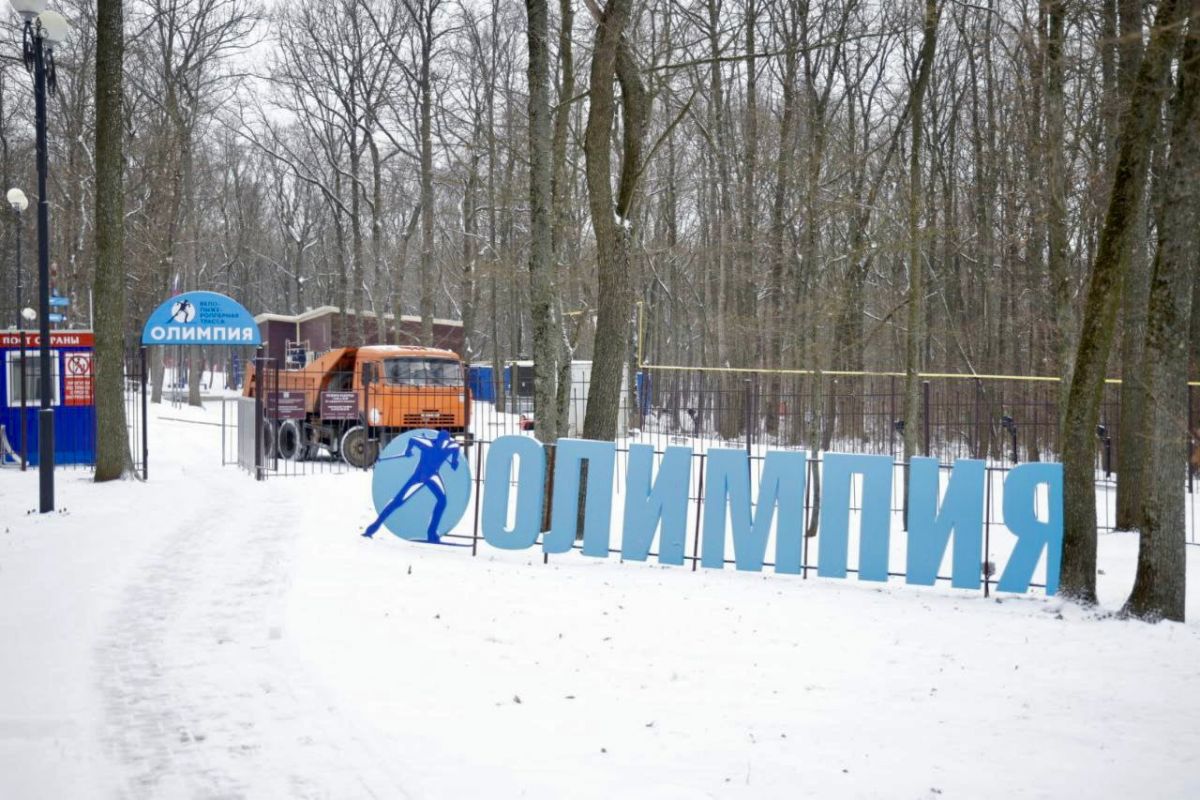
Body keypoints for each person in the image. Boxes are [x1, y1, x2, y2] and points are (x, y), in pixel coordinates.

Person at [363, 429, 461, 542]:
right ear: (437, 439)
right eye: (439, 441)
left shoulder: (451, 447)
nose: (441, 444)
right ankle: (372, 529)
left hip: (433, 476)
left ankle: (432, 533)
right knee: (397, 501)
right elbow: (412, 440)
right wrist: (408, 451)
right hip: (419, 476)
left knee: (442, 501)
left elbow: (455, 453)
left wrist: (454, 462)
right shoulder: (428, 443)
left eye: (443, 442)